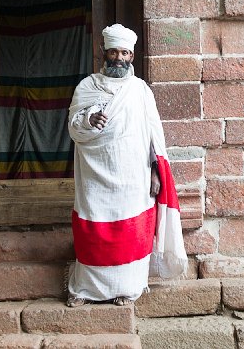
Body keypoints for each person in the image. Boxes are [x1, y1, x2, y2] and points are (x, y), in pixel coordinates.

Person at [66, 23, 187, 307]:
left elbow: (154, 135)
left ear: (131, 56)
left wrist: (156, 171)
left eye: (124, 53)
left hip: (134, 176)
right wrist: (89, 121)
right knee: (93, 232)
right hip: (95, 178)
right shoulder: (87, 87)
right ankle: (85, 289)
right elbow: (74, 129)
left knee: (130, 234)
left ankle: (128, 288)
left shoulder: (140, 90)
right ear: (103, 53)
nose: (118, 58)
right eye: (113, 52)